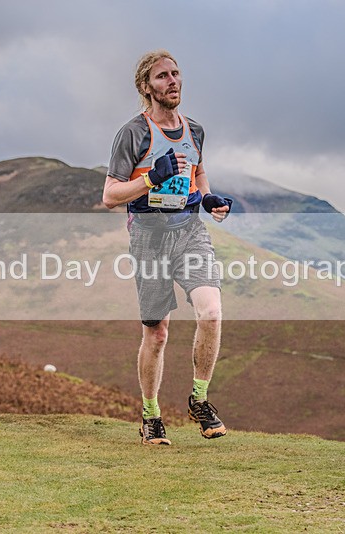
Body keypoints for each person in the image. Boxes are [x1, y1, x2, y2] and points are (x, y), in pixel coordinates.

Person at [103, 50, 232, 445]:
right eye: (162, 76)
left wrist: (207, 198)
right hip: (149, 237)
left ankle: (198, 399)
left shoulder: (195, 130)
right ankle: (151, 415)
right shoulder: (133, 134)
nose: (172, 81)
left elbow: (198, 169)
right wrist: (150, 180)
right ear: (146, 86)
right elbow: (110, 195)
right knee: (157, 334)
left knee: (211, 312)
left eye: (176, 74)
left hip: (190, 231)